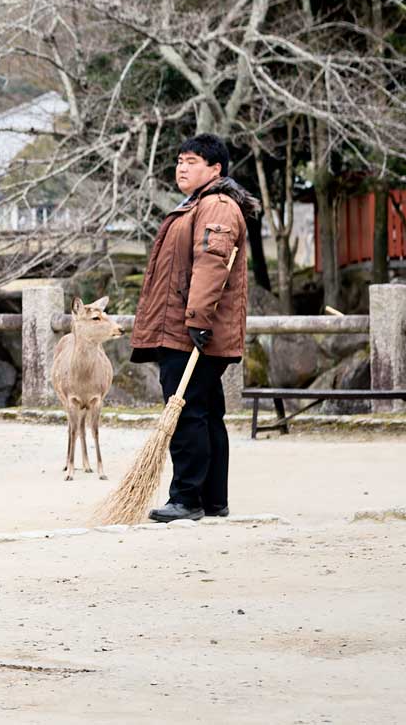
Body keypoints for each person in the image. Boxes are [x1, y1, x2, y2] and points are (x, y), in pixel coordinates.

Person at [130, 133, 258, 523]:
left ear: (215, 169)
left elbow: (212, 263)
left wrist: (197, 320)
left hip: (189, 331)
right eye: (179, 161)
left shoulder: (216, 206)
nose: (181, 167)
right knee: (205, 412)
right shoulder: (197, 205)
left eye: (191, 161)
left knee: (186, 414)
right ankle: (212, 499)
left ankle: (187, 498)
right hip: (185, 328)